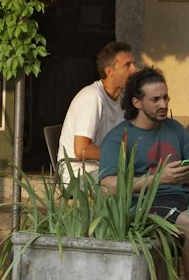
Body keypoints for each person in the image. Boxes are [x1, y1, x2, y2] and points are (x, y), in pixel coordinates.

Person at [97, 67, 189, 219]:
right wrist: (158, 178)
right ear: (137, 102)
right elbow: (107, 186)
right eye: (155, 99)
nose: (164, 105)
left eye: (166, 98)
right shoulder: (118, 137)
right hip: (143, 204)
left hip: (182, 198)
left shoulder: (175, 128)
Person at [57, 41, 136, 183]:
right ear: (109, 71)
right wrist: (121, 155)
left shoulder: (122, 97)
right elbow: (81, 150)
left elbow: (125, 139)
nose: (134, 70)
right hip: (78, 176)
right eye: (127, 65)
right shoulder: (93, 98)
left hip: (105, 169)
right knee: (132, 185)